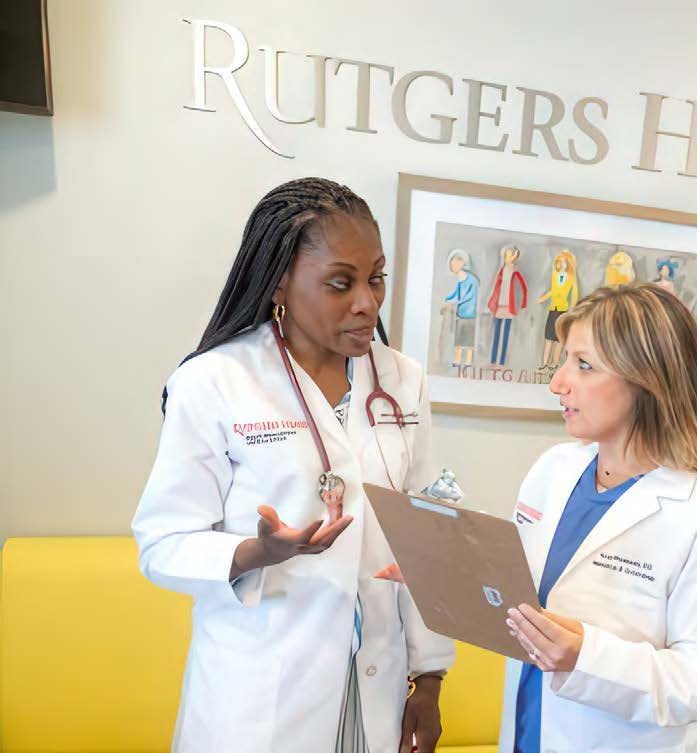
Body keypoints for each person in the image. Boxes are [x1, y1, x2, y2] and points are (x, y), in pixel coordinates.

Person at [132, 178, 454, 753]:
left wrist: (429, 681)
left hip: (372, 687)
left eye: (376, 277)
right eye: (340, 283)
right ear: (281, 280)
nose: (367, 301)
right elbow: (161, 543)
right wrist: (259, 552)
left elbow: (425, 536)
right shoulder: (216, 380)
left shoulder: (402, 381)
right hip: (261, 694)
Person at [502, 282, 697, 753]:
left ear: (647, 379)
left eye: (583, 365)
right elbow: (524, 590)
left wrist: (586, 657)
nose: (557, 383)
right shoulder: (554, 469)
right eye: (564, 361)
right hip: (529, 730)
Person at [486, 244, 528, 366]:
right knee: (496, 334)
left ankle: (502, 362)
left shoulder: (515, 271)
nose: (507, 257)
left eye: (510, 255)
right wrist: (492, 301)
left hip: (509, 307)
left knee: (505, 337)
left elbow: (524, 287)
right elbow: (496, 288)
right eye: (506, 255)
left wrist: (524, 301)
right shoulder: (501, 270)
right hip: (499, 306)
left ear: (514, 257)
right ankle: (493, 360)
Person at [536, 249, 578, 369]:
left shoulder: (571, 278)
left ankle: (554, 363)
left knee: (559, 339)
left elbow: (574, 294)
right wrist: (543, 298)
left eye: (564, 261)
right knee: (549, 337)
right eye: (560, 261)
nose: (561, 264)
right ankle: (544, 363)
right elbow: (552, 291)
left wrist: (572, 310)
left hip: (563, 310)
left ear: (568, 263)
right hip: (552, 309)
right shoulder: (555, 275)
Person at [443, 248, 480, 367]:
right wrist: (448, 299)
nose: (452, 266)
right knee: (458, 340)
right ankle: (457, 361)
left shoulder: (472, 280)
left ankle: (468, 362)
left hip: (469, 315)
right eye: (452, 264)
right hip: (460, 314)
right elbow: (456, 293)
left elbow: (468, 296)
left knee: (468, 341)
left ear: (462, 263)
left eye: (455, 263)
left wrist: (454, 302)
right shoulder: (460, 280)